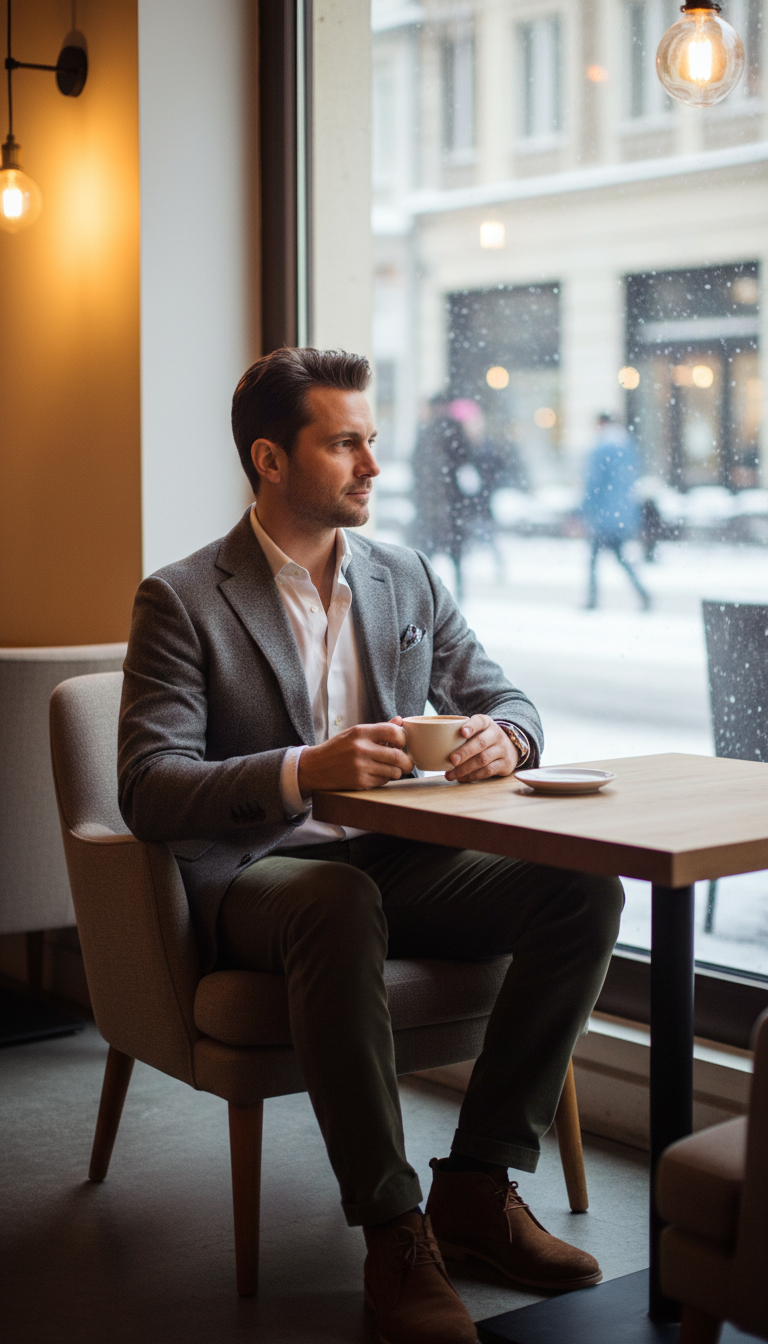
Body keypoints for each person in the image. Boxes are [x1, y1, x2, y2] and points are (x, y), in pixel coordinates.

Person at [118, 348, 624, 1344]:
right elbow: (148, 787)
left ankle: (477, 1188)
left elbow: (506, 697)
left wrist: (506, 737)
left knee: (585, 889)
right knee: (335, 900)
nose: (374, 466)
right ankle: (395, 1232)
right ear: (271, 458)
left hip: (399, 857)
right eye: (345, 442)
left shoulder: (404, 575)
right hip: (263, 874)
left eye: (372, 440)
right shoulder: (181, 599)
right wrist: (307, 770)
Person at [581, 413, 651, 610]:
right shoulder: (627, 447)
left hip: (603, 515)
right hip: (622, 514)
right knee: (619, 557)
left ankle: (593, 599)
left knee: (596, 558)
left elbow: (594, 484)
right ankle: (642, 593)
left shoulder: (600, 449)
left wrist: (585, 510)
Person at [411, 391, 474, 599]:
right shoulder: (453, 430)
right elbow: (466, 465)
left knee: (427, 553)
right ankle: (455, 592)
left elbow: (416, 466)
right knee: (453, 554)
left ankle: (423, 593)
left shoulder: (428, 431)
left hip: (433, 505)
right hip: (448, 505)